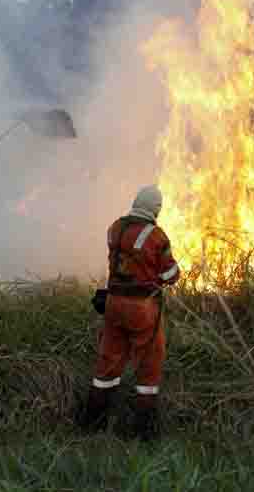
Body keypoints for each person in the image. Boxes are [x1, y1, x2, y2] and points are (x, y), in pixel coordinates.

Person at [78, 185, 181, 441]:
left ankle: (92, 425)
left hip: (113, 304)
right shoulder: (156, 236)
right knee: (148, 366)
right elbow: (170, 275)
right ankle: (144, 433)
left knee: (108, 363)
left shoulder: (115, 228)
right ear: (156, 209)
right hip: (142, 308)